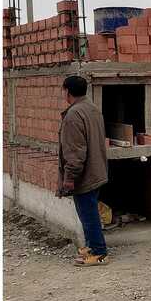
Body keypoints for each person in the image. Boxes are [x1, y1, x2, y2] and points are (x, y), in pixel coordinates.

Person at [56, 76, 109, 267]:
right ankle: (91, 245)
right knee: (90, 212)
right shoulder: (92, 108)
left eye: (63, 90)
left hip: (84, 175)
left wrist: (69, 178)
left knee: (88, 215)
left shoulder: (73, 115)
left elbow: (75, 152)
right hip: (96, 170)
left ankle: (99, 252)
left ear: (67, 91)